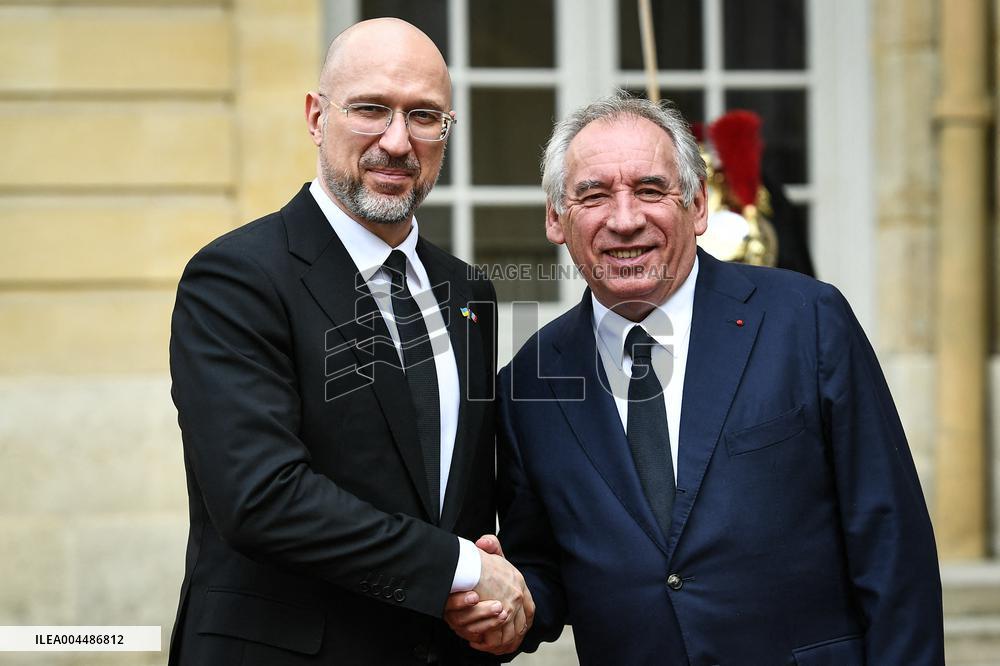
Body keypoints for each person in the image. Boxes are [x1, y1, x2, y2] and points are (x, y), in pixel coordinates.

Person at [446, 92, 943, 664]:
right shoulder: (528, 383)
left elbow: (891, 541)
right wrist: (515, 607)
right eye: (594, 195)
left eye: (651, 190)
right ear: (557, 219)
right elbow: (548, 566)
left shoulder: (805, 321)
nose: (625, 219)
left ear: (700, 205)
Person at [167, 18, 531, 665]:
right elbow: (263, 497)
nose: (397, 141)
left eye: (424, 116)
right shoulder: (237, 276)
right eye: (371, 109)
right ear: (315, 115)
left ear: (447, 131)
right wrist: (462, 568)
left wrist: (502, 607)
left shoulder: (467, 292)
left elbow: (462, 501)